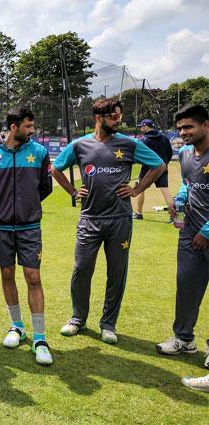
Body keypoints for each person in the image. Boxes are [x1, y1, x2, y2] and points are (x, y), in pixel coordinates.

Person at [51, 98, 166, 344]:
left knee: (117, 272)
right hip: (89, 219)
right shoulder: (80, 145)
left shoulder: (129, 143)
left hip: (120, 220)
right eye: (113, 116)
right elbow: (55, 169)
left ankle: (108, 324)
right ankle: (77, 318)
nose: (118, 119)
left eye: (119, 116)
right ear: (98, 118)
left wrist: (136, 189)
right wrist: (73, 192)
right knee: (81, 269)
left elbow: (158, 165)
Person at [0, 108, 54, 365]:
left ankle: (40, 338)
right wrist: (2, 210)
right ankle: (17, 326)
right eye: (28, 126)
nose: (32, 131)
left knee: (33, 277)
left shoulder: (40, 153)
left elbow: (45, 189)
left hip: (29, 227)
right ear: (13, 127)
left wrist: (25, 208)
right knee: (7, 274)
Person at [156, 105, 209, 373]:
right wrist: (181, 197)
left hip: (205, 233)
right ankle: (184, 339)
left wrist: (207, 231)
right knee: (186, 287)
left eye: (188, 127)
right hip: (190, 233)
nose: (182, 133)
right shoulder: (186, 153)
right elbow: (189, 181)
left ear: (205, 126)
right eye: (179, 128)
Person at [132, 118, 174, 220]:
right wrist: (164, 164)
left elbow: (139, 155)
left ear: (146, 126)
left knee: (140, 189)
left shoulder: (143, 140)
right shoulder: (164, 138)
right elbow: (170, 153)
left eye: (142, 126)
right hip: (162, 168)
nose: (141, 128)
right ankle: (174, 216)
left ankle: (138, 213)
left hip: (147, 169)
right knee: (166, 191)